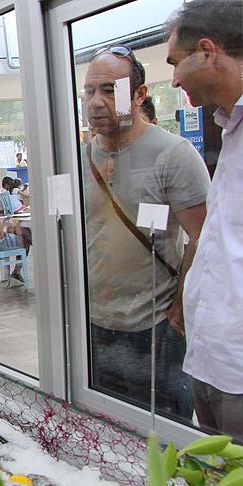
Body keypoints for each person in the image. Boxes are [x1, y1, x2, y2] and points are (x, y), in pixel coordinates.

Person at [82, 44, 210, 421]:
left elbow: (203, 237)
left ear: (140, 95)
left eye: (110, 90)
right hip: (93, 324)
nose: (96, 102)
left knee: (164, 440)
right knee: (103, 433)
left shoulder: (173, 154)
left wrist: (182, 305)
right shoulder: (81, 157)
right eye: (90, 91)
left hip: (154, 328)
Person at [165, 0, 243, 441]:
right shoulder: (229, 128)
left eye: (176, 63)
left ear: (208, 52)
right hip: (209, 358)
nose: (173, 78)